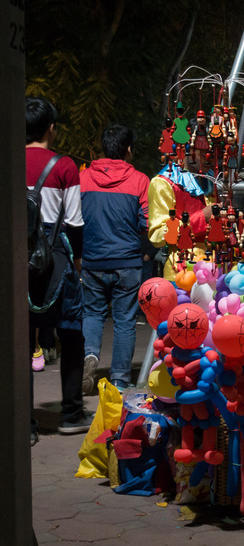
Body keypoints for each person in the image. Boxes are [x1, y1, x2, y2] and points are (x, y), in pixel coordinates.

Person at [26, 96, 90, 442]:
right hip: (56, 262)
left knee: (20, 341)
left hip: (17, 264)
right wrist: (77, 263)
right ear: (51, 127)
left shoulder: (8, 160)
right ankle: (71, 413)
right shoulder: (64, 167)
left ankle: (25, 424)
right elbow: (76, 223)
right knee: (71, 334)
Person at [80, 124, 149, 393]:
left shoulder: (84, 178)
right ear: (128, 149)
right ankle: (120, 379)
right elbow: (145, 221)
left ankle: (90, 356)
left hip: (93, 259)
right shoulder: (140, 180)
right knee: (124, 320)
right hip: (127, 261)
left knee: (92, 313)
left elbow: (74, 218)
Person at [147, 152, 214, 280]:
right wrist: (200, 218)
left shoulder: (210, 180)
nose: (210, 157)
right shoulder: (163, 182)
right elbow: (157, 235)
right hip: (181, 273)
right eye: (204, 151)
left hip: (213, 270)